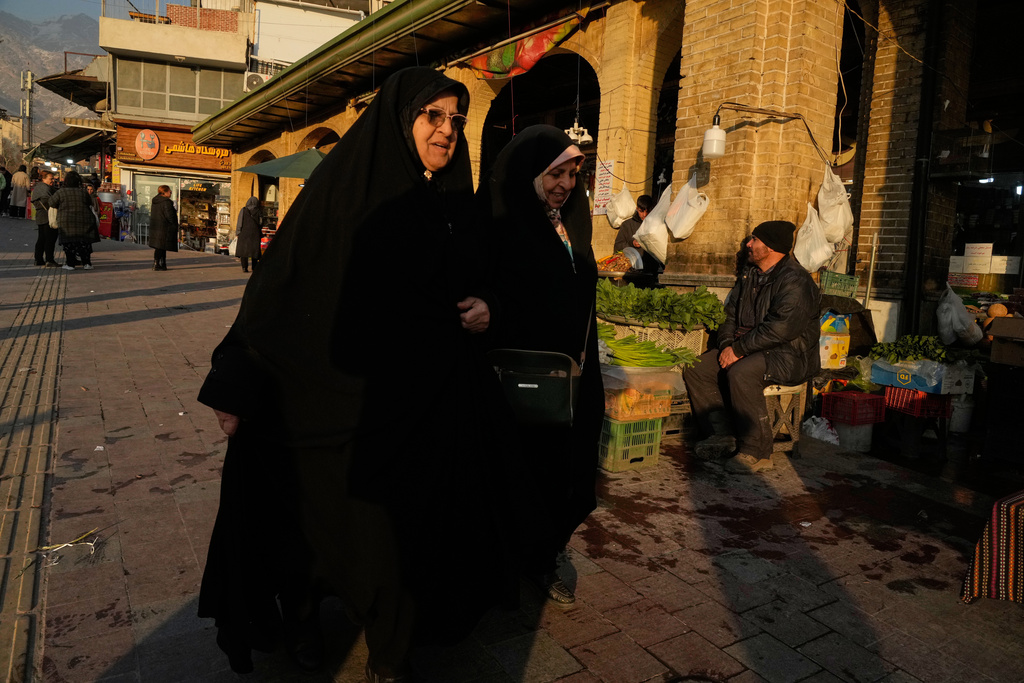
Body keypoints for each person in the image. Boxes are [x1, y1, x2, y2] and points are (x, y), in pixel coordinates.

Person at [196, 67, 514, 680]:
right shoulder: (338, 197)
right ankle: (305, 619)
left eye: (456, 119)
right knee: (314, 536)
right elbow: (275, 298)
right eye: (433, 116)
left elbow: (483, 277)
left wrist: (489, 305)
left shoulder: (452, 206)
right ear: (401, 120)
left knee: (401, 543)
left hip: (416, 413)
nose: (447, 130)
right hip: (326, 409)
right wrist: (236, 384)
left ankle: (391, 653)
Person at [475, 124, 604, 605]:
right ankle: (520, 561)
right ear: (530, 171)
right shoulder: (499, 220)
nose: (566, 184)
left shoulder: (571, 220)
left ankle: (545, 550)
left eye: (573, 173)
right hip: (521, 379)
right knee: (523, 474)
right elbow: (485, 287)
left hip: (573, 373)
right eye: (555, 172)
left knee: (571, 476)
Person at [682, 220, 820, 472]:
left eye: (755, 240)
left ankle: (757, 451)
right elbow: (729, 314)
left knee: (741, 372)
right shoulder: (749, 274)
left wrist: (737, 350)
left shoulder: (796, 282)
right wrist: (726, 345)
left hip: (788, 354)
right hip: (748, 346)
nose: (748, 244)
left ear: (771, 248)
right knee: (698, 368)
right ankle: (721, 434)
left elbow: (781, 329)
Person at [48, 171, 100, 270]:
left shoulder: (61, 192)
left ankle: (70, 264)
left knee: (69, 244)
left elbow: (51, 202)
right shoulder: (83, 192)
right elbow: (90, 202)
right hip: (85, 221)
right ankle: (87, 264)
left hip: (67, 222)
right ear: (78, 181)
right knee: (85, 244)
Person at [30, 170, 59, 266]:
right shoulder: (44, 188)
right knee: (49, 239)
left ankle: (38, 259)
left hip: (41, 216)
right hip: (48, 216)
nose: (52, 181)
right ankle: (49, 260)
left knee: (42, 238)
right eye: (51, 179)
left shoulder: (41, 187)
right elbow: (48, 201)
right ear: (43, 179)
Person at [148, 185, 178, 271]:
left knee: (161, 246)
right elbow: (170, 216)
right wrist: (174, 223)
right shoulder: (166, 202)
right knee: (161, 246)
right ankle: (157, 264)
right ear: (164, 192)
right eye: (170, 191)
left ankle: (162, 264)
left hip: (157, 226)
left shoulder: (156, 201)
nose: (171, 193)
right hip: (164, 228)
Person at [234, 196, 262, 273]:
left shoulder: (243, 210)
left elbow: (240, 222)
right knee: (254, 251)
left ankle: (244, 267)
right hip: (255, 233)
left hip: (244, 233)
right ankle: (254, 267)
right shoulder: (259, 211)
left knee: (244, 251)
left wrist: (238, 232)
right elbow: (260, 222)